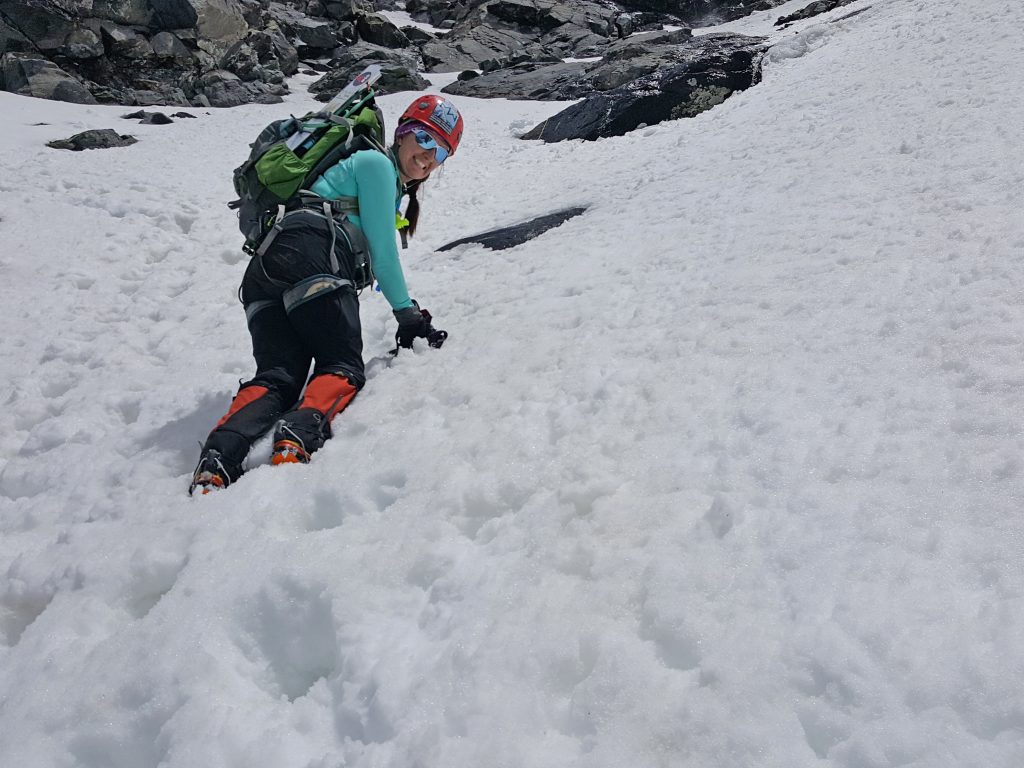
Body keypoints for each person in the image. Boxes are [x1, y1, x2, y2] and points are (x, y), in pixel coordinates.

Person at [189, 94, 465, 494]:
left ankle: (218, 459)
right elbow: (385, 258)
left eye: (440, 150)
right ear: (402, 133)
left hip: (264, 275)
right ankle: (295, 438)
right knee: (341, 365)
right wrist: (408, 314)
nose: (427, 154)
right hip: (312, 256)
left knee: (279, 377)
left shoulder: (369, 172)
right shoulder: (375, 165)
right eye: (423, 138)